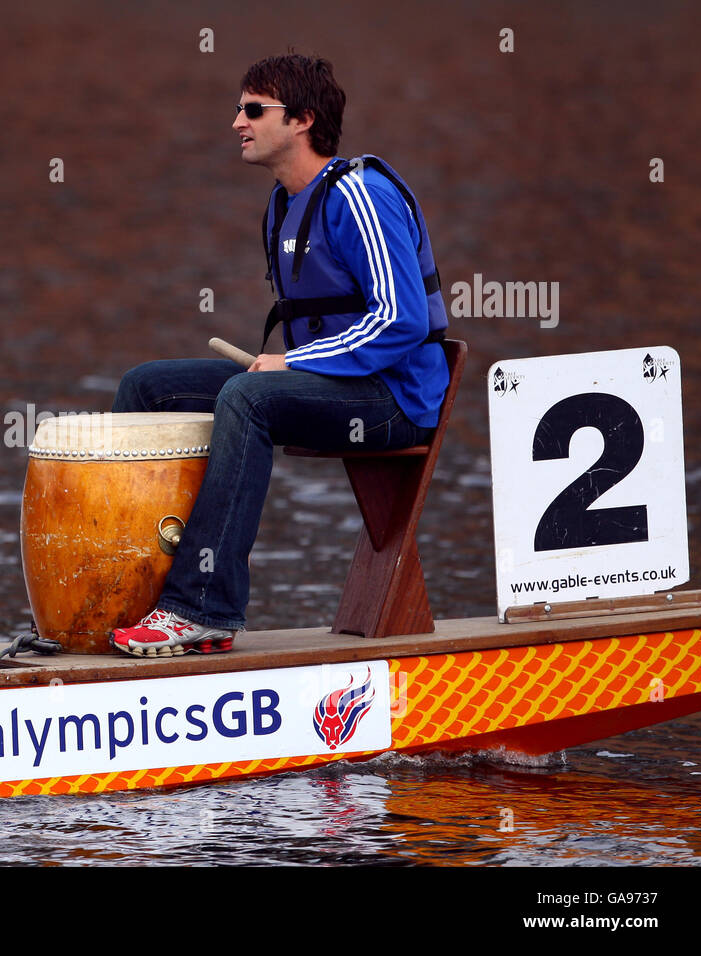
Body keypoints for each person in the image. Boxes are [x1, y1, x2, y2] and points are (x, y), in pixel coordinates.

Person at [110, 53, 449, 657]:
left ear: (302, 120)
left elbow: (400, 320)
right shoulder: (280, 204)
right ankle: (133, 594)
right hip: (335, 386)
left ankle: (202, 610)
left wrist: (293, 364)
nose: (236, 122)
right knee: (147, 387)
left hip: (395, 399)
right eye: (238, 109)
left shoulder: (362, 195)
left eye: (252, 110)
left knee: (248, 396)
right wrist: (296, 365)